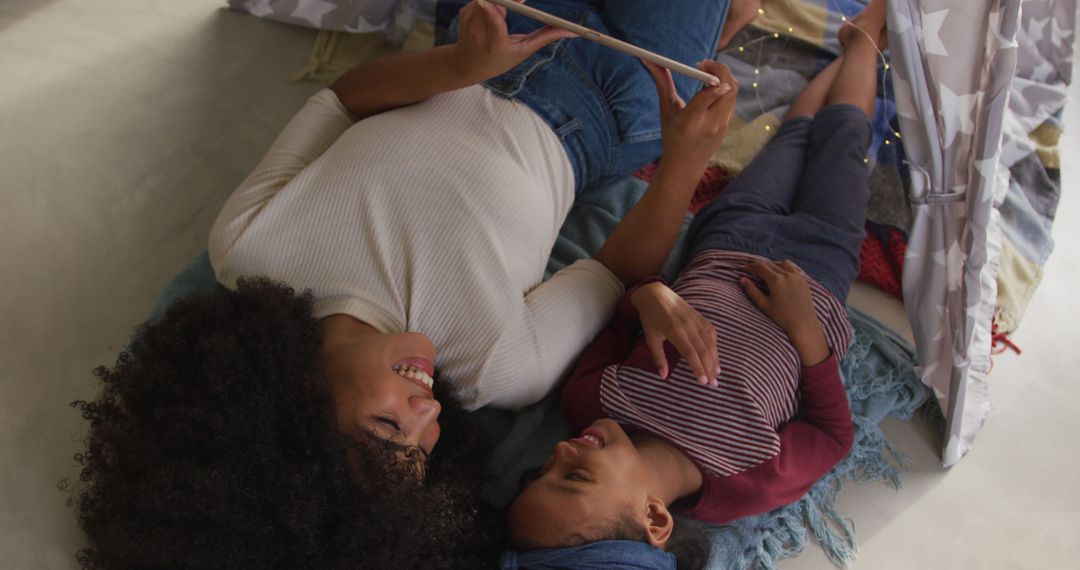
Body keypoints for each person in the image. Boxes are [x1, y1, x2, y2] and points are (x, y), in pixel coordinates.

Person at [70, 0, 743, 568]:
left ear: (294, 397)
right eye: (425, 450)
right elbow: (614, 270)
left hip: (481, 36)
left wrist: (459, 67)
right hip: (610, 99)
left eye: (389, 423)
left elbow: (343, 99)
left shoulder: (250, 248)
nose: (430, 418)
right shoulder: (493, 366)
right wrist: (685, 161)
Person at [503, 1, 890, 568]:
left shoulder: (591, 400)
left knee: (791, 140)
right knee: (843, 144)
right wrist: (806, 332)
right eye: (572, 478)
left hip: (730, 235)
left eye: (542, 470)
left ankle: (846, 51)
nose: (559, 451)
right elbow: (832, 437)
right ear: (655, 518)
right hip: (819, 273)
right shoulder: (741, 479)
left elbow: (619, 308)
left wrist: (651, 296)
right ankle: (863, 46)